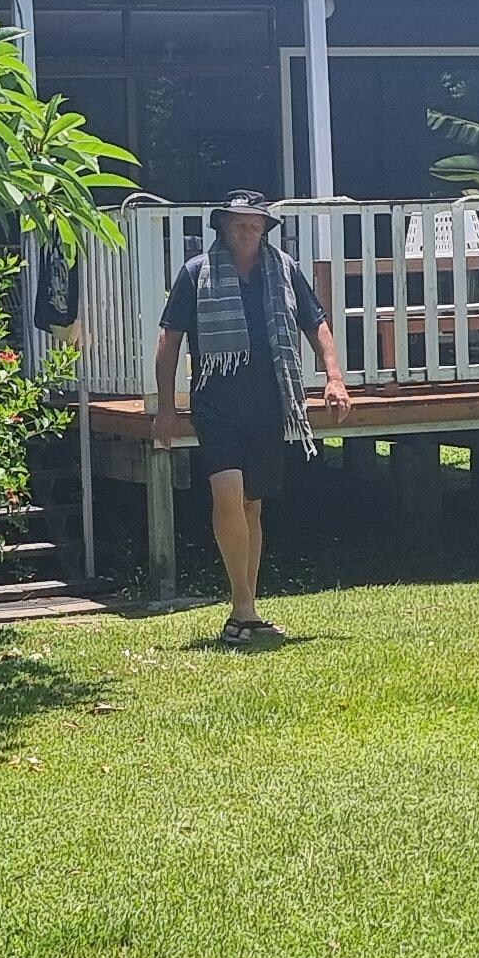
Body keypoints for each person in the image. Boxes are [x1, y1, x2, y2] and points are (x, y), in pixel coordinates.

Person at [152, 191, 350, 646]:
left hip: (268, 401)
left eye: (255, 224)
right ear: (223, 226)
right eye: (239, 223)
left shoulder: (283, 269)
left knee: (252, 505)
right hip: (215, 401)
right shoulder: (196, 274)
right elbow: (170, 340)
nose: (248, 231)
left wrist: (334, 378)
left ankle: (246, 612)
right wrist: (166, 407)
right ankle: (242, 607)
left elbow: (316, 323)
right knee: (227, 494)